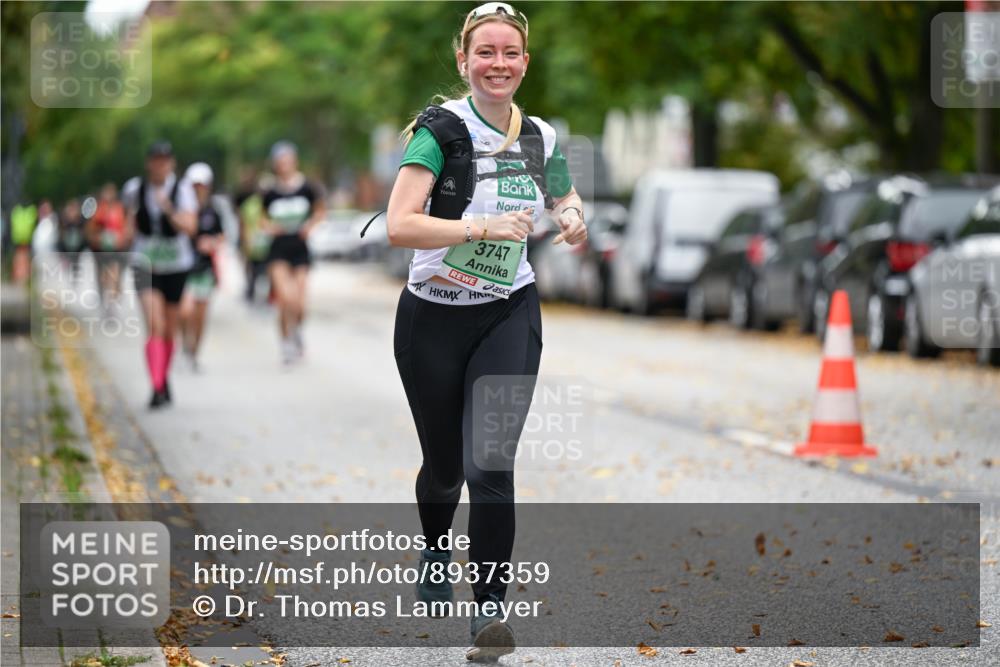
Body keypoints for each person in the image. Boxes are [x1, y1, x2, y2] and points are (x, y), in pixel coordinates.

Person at [385, 3, 586, 661]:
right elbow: (399, 224)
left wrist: (572, 214)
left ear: (525, 62)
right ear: (463, 59)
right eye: (485, 52)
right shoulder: (439, 132)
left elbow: (561, 193)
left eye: (510, 53)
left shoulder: (541, 137)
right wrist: (479, 227)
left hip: (507, 311)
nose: (498, 64)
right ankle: (434, 546)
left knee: (490, 463)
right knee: (446, 468)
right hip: (432, 318)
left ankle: (489, 612)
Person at [122, 141, 198, 409]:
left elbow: (191, 227)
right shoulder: (134, 190)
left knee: (169, 329)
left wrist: (168, 209)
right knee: (155, 325)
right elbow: (128, 226)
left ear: (172, 163)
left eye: (165, 160)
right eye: (156, 160)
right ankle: (156, 386)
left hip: (176, 265)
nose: (160, 165)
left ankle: (163, 378)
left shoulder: (183, 190)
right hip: (145, 264)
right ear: (148, 163)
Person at [260, 142, 325, 364]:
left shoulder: (307, 187)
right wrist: (270, 227)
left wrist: (310, 225)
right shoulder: (270, 191)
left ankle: (296, 331)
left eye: (287, 160)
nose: (284, 165)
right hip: (278, 250)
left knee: (299, 305)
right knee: (285, 299)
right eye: (280, 161)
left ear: (294, 161)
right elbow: (261, 219)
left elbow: (320, 211)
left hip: (300, 249)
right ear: (275, 164)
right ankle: (285, 342)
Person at [179, 163, 224, 372]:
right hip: (184, 267)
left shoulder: (212, 211)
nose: (198, 189)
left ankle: (194, 353)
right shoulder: (181, 208)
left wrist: (211, 243)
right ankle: (184, 342)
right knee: (185, 311)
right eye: (194, 185)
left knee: (200, 315)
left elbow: (221, 236)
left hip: (204, 268)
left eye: (201, 185)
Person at [87, 182, 130, 314]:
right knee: (102, 276)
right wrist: (97, 238)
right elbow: (90, 229)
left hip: (116, 248)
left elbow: (126, 227)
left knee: (114, 273)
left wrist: (122, 239)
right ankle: (104, 299)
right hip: (100, 249)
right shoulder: (97, 209)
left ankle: (112, 302)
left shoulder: (120, 208)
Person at [233, 167, 270, 304]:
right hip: (251, 240)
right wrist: (245, 240)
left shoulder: (269, 202)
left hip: (265, 241)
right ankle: (250, 289)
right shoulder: (247, 201)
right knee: (251, 268)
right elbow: (241, 220)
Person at [56, 198, 88, 285]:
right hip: (67, 256)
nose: (72, 212)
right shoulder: (63, 224)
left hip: (78, 255)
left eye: (74, 209)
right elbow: (60, 243)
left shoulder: (81, 223)